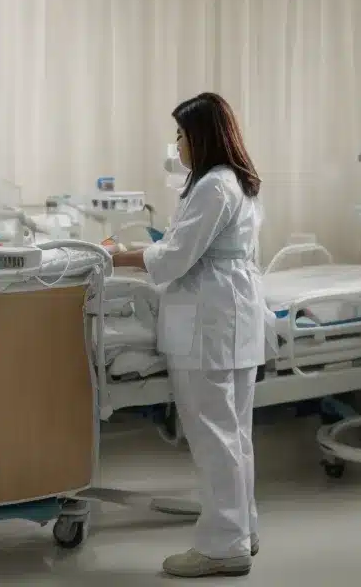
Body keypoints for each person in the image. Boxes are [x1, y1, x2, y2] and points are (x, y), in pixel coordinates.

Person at [108, 92, 265, 578]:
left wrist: (117, 256)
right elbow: (190, 245)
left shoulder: (214, 187)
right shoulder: (237, 181)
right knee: (234, 434)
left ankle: (223, 545)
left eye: (180, 135)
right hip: (231, 318)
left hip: (208, 322)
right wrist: (147, 248)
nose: (176, 144)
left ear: (200, 136)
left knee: (214, 437)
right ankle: (243, 528)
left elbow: (177, 258)